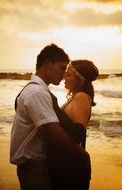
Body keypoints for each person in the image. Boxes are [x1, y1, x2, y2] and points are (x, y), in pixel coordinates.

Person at [10, 44, 90, 190]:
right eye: (61, 68)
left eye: (66, 70)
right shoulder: (37, 93)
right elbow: (54, 133)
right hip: (34, 168)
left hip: (36, 166)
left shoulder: (36, 90)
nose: (63, 74)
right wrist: (82, 154)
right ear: (47, 64)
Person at [48, 60, 99, 190]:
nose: (65, 76)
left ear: (80, 81)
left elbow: (78, 134)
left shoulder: (81, 97)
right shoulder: (75, 97)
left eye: (69, 75)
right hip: (67, 163)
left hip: (72, 166)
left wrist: (53, 105)